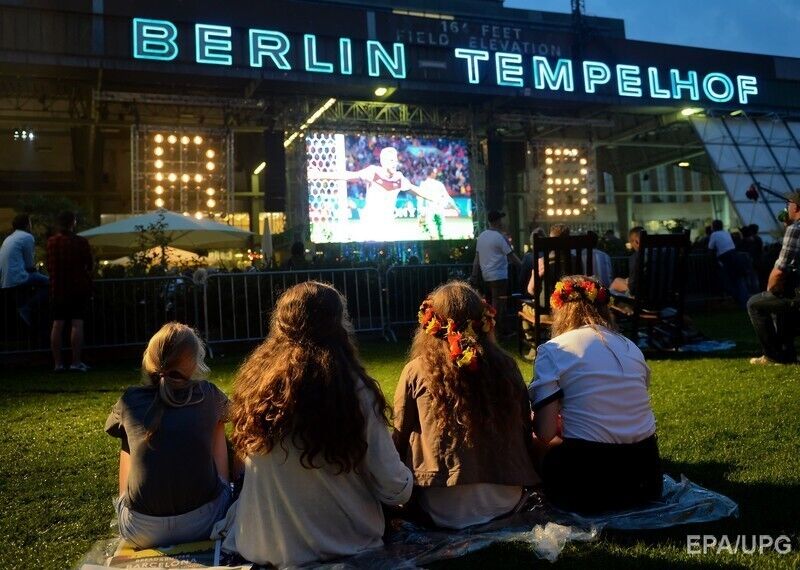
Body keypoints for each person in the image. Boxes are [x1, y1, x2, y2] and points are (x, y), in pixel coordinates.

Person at [213, 281, 412, 567]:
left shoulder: (255, 388)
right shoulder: (354, 392)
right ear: (338, 325)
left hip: (261, 543)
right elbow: (394, 487)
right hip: (343, 542)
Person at [393, 282, 540, 529]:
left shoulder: (415, 370)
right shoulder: (507, 366)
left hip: (440, 503)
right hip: (506, 499)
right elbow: (525, 428)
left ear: (431, 323)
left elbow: (399, 436)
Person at [528, 275, 662, 513]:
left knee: (534, 440)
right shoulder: (630, 347)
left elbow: (545, 433)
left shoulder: (554, 350)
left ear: (560, 310)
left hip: (589, 485)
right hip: (647, 477)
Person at [105, 323, 231, 548]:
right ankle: (222, 492)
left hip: (140, 529)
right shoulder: (209, 394)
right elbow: (234, 417)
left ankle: (129, 502)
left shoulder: (130, 400)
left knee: (129, 437)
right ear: (194, 361)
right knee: (218, 426)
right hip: (207, 522)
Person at [308, 146, 458, 239]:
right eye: (391, 160)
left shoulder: (399, 178)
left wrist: (437, 199)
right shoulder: (373, 172)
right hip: (369, 226)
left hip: (387, 227)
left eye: (395, 160)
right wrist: (320, 175)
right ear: (383, 161)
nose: (394, 163)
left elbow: (418, 191)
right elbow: (348, 175)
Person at [747, 191, 800, 365]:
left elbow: (780, 270)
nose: (786, 207)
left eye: (788, 204)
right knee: (781, 303)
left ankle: (772, 355)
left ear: (796, 207)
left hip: (797, 294)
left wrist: (770, 290)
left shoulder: (795, 229)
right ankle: (787, 353)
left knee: (755, 304)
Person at [47, 211, 93, 372]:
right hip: (77, 288)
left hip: (57, 288)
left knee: (57, 325)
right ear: (73, 222)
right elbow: (89, 264)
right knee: (77, 323)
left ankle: (58, 364)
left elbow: (49, 265)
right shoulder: (80, 242)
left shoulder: (52, 242)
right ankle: (75, 362)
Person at [471, 210, 521, 334]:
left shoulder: (481, 236)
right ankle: (499, 332)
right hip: (499, 276)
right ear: (498, 221)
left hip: (486, 276)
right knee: (499, 305)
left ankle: (491, 331)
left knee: (489, 305)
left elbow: (477, 258)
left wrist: (474, 275)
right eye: (501, 219)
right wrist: (523, 266)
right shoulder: (499, 237)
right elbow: (511, 256)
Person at [0, 213, 49, 325]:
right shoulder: (27, 237)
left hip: (5, 280)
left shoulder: (8, 238)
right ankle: (29, 307)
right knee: (51, 283)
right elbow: (29, 264)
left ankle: (25, 309)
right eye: (30, 223)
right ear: (27, 225)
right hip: (19, 277)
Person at [708, 219, 749, 308]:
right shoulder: (726, 233)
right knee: (739, 279)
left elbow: (710, 249)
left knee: (727, 281)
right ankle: (744, 301)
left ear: (714, 227)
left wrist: (713, 260)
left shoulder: (714, 234)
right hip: (735, 255)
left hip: (726, 258)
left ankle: (738, 299)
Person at [610, 226, 644, 298]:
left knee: (616, 282)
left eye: (631, 241)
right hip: (662, 295)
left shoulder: (636, 257)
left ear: (636, 242)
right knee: (619, 280)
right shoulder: (661, 253)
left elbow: (632, 288)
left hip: (640, 297)